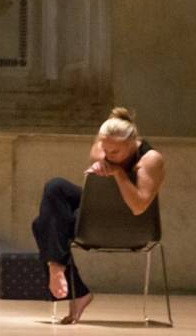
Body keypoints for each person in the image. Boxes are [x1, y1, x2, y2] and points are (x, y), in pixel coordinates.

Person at [32, 107, 166, 324]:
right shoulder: (101, 150)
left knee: (41, 225)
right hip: (98, 214)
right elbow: (98, 171)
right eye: (105, 149)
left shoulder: (151, 159)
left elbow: (139, 206)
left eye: (115, 152)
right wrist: (103, 163)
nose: (108, 156)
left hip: (132, 223)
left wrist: (120, 173)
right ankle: (57, 267)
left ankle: (74, 287)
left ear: (132, 144)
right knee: (55, 188)